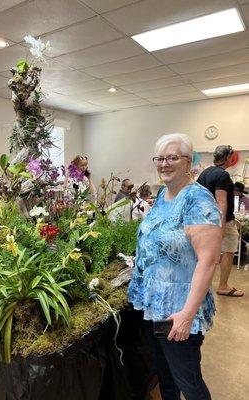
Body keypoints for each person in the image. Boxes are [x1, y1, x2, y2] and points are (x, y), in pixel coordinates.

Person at [128, 133, 222, 400]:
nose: (164, 164)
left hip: (178, 310)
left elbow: (208, 260)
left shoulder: (198, 199)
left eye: (172, 157)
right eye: (160, 158)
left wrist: (186, 315)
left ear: (188, 162)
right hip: (154, 306)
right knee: (165, 377)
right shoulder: (163, 194)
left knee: (189, 383)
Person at [197, 145, 244, 297]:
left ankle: (203, 285)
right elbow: (221, 202)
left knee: (207, 254)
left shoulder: (205, 173)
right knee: (229, 251)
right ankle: (223, 286)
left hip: (205, 220)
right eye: (231, 157)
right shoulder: (223, 175)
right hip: (221, 221)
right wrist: (221, 227)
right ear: (227, 158)